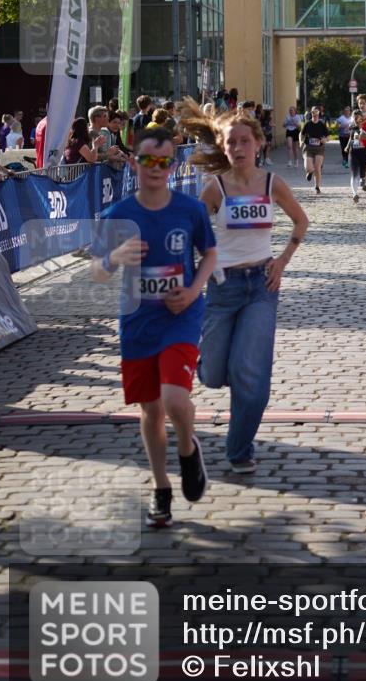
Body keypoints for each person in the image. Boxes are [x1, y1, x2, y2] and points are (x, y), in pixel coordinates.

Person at [91, 126, 217, 527]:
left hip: (180, 318)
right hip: (137, 323)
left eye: (164, 161)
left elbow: (210, 254)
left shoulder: (190, 209)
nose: (156, 168)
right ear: (134, 162)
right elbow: (95, 271)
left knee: (175, 401)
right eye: (148, 160)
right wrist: (114, 257)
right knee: (150, 410)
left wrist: (195, 289)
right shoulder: (119, 214)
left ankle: (187, 451)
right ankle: (161, 488)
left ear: (173, 164)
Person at [180, 101, 308, 473]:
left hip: (261, 288)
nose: (237, 148)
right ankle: (206, 360)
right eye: (230, 142)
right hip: (223, 289)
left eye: (244, 141)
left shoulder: (272, 183)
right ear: (223, 147)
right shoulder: (214, 188)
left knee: (251, 377)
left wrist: (282, 262)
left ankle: (239, 449)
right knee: (217, 374)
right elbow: (193, 236)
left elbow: (301, 222)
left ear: (258, 143)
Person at [299, 106, 329, 194]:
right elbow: (301, 133)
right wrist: (301, 141)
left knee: (317, 167)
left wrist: (325, 140)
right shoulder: (308, 124)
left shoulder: (322, 124)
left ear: (319, 113)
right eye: (313, 112)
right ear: (311, 113)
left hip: (319, 148)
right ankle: (310, 172)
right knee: (308, 168)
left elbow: (328, 137)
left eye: (316, 113)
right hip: (308, 148)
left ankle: (317, 187)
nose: (315, 114)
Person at [346, 109, 366, 202]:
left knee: (363, 170)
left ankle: (363, 179)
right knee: (354, 173)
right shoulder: (351, 127)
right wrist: (347, 146)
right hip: (353, 152)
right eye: (354, 117)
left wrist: (362, 136)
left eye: (357, 117)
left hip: (363, 152)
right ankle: (354, 194)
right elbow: (350, 138)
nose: (356, 119)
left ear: (361, 117)